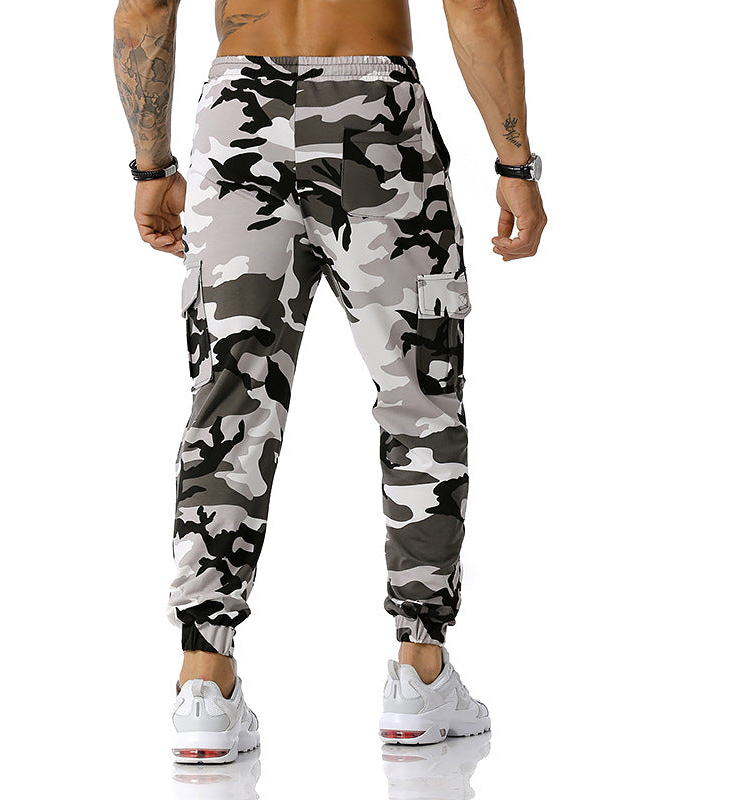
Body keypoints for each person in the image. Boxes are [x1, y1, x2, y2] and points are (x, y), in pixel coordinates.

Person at [113, 0, 547, 764]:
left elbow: (145, 7)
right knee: (419, 397)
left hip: (239, 118)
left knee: (229, 399)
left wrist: (151, 166)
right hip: (373, 113)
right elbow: (476, 4)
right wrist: (515, 165)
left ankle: (204, 680)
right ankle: (419, 671)